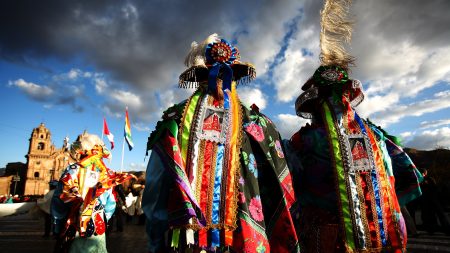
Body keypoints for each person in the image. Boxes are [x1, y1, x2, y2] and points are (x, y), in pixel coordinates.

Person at [284, 0, 421, 252]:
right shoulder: (375, 134)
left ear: (315, 104)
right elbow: (407, 171)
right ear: (348, 97)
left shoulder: (304, 140)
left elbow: (286, 176)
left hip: (322, 231)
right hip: (381, 229)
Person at [142, 34, 299, 253]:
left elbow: (155, 195)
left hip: (199, 239)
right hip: (232, 240)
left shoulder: (175, 121)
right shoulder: (261, 125)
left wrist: (155, 244)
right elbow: (283, 190)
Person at [51, 132, 133, 253]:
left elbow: (59, 201)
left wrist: (58, 226)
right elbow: (110, 204)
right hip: (96, 228)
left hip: (73, 226)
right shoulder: (105, 173)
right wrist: (100, 218)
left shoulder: (72, 171)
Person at [420, 168, 450, 234]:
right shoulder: (420, 180)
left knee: (440, 214)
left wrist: (426, 184)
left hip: (433, 200)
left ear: (425, 173)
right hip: (426, 201)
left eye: (421, 173)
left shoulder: (430, 179)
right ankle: (431, 229)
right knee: (429, 215)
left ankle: (446, 229)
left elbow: (434, 188)